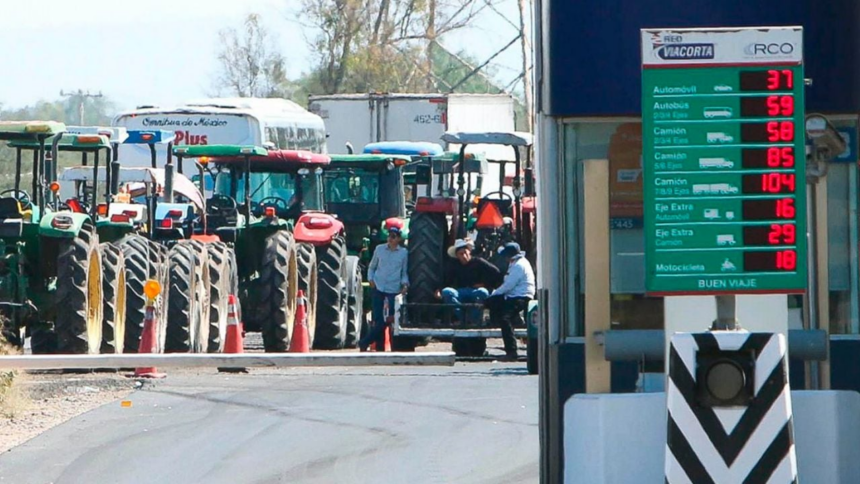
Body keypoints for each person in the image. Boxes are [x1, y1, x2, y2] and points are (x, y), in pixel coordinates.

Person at [359, 226, 408, 351]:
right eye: (389, 236)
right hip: (378, 287)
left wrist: (405, 285)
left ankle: (365, 342)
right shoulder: (379, 249)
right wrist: (370, 280)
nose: (390, 239)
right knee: (378, 319)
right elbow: (372, 267)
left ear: (398, 239)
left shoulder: (403, 253)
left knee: (389, 319)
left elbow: (404, 272)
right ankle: (379, 348)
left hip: (393, 289)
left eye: (393, 237)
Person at [484, 242, 535, 360]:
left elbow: (508, 285)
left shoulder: (518, 265)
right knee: (495, 303)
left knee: (504, 318)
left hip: (521, 296)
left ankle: (511, 351)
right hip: (514, 295)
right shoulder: (516, 263)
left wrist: (494, 294)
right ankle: (514, 320)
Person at [438, 238, 502, 323]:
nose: (464, 256)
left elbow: (496, 273)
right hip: (461, 291)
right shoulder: (454, 265)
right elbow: (446, 279)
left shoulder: (479, 262)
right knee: (446, 292)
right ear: (457, 256)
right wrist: (439, 289)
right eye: (461, 254)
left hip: (475, 291)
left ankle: (473, 320)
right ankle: (463, 318)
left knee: (482, 292)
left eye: (465, 253)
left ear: (469, 252)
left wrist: (485, 284)